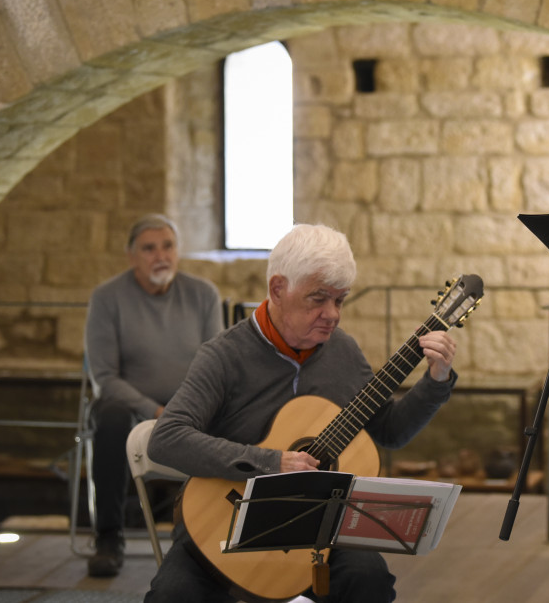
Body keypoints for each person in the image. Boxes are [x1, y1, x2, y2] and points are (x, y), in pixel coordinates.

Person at [144, 223, 459, 602]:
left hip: (318, 531)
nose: (332, 314)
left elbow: (389, 431)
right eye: (318, 299)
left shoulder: (343, 352)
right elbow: (167, 438)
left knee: (369, 581)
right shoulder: (224, 356)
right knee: (172, 595)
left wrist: (436, 380)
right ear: (278, 289)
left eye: (340, 300)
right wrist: (271, 462)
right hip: (224, 527)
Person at [84, 214, 223, 577]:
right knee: (110, 417)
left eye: (168, 246)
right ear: (131, 256)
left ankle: (207, 538)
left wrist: (182, 410)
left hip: (191, 406)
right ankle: (109, 538)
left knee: (235, 414)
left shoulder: (203, 294)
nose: (160, 255)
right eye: (149, 248)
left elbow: (217, 367)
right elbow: (104, 377)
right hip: (131, 408)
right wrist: (155, 410)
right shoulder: (106, 298)